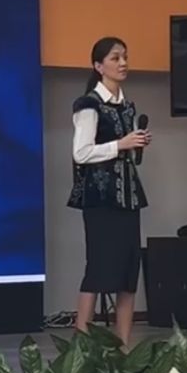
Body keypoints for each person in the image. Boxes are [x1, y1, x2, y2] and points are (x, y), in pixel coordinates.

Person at [68, 37, 150, 348]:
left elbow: (124, 153)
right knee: (99, 269)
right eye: (115, 58)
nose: (123, 63)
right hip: (101, 199)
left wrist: (135, 144)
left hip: (128, 197)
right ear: (98, 66)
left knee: (128, 274)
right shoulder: (88, 105)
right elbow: (81, 153)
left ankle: (123, 347)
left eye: (125, 57)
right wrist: (120, 144)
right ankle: (80, 346)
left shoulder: (127, 106)